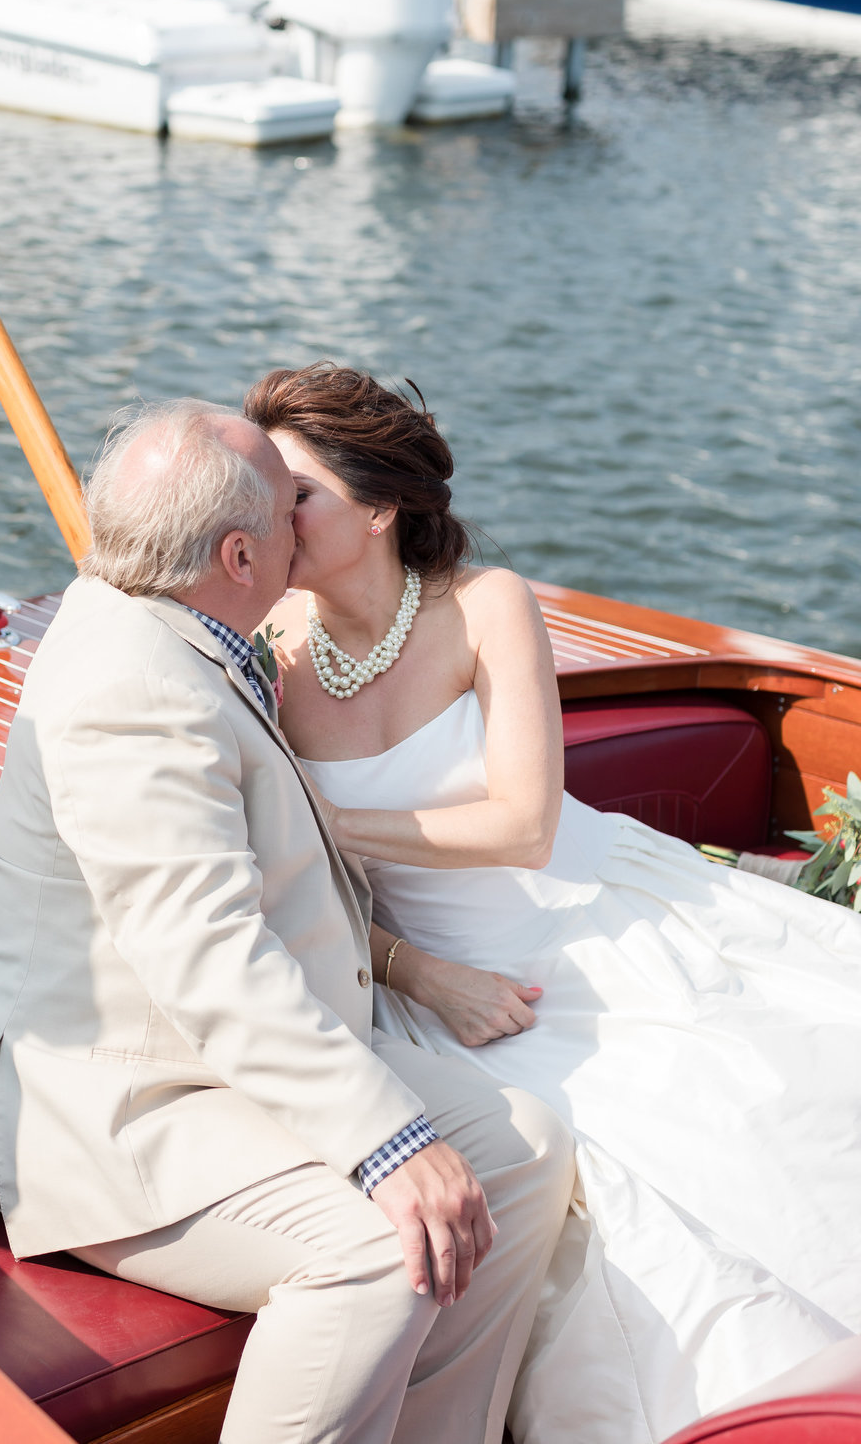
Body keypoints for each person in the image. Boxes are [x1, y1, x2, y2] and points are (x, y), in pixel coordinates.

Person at [243, 360, 861, 1444]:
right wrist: (410, 967)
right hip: (425, 972)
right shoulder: (272, 654)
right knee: (596, 1182)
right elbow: (287, 888)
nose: (269, 515)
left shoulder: (486, 605)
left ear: (381, 506)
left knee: (747, 1100)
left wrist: (321, 825)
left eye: (297, 492)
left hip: (576, 908)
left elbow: (524, 824)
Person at [0, 400, 575, 1444]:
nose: (301, 530)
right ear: (239, 553)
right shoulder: (132, 690)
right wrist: (386, 1140)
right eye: (288, 512)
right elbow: (208, 956)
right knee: (379, 1246)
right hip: (108, 1109)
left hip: (203, 1058)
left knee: (526, 1151)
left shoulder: (190, 622)